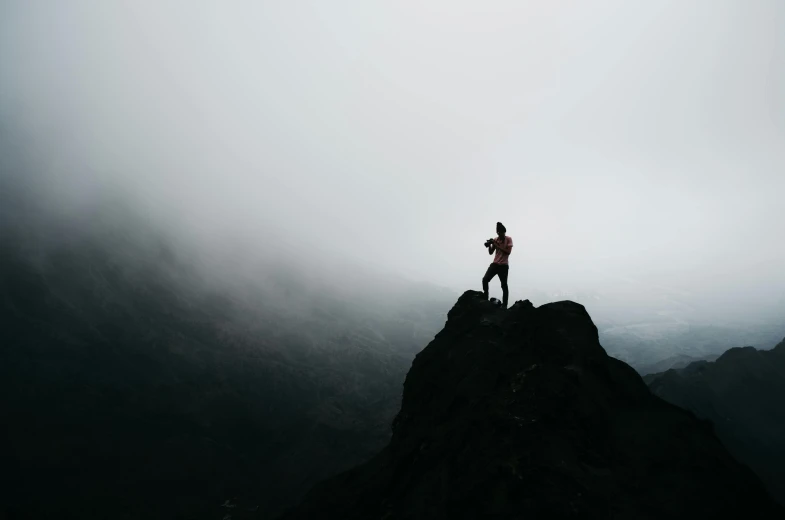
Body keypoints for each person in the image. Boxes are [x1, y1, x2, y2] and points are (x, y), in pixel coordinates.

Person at [483, 222, 513, 308]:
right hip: (495, 264)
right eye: (500, 233)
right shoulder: (496, 239)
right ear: (498, 233)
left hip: (503, 265)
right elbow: (491, 252)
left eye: (503, 233)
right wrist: (490, 245)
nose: (502, 235)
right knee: (485, 279)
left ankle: (504, 305)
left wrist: (496, 244)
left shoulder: (509, 239)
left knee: (504, 285)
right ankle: (485, 297)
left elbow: (508, 252)